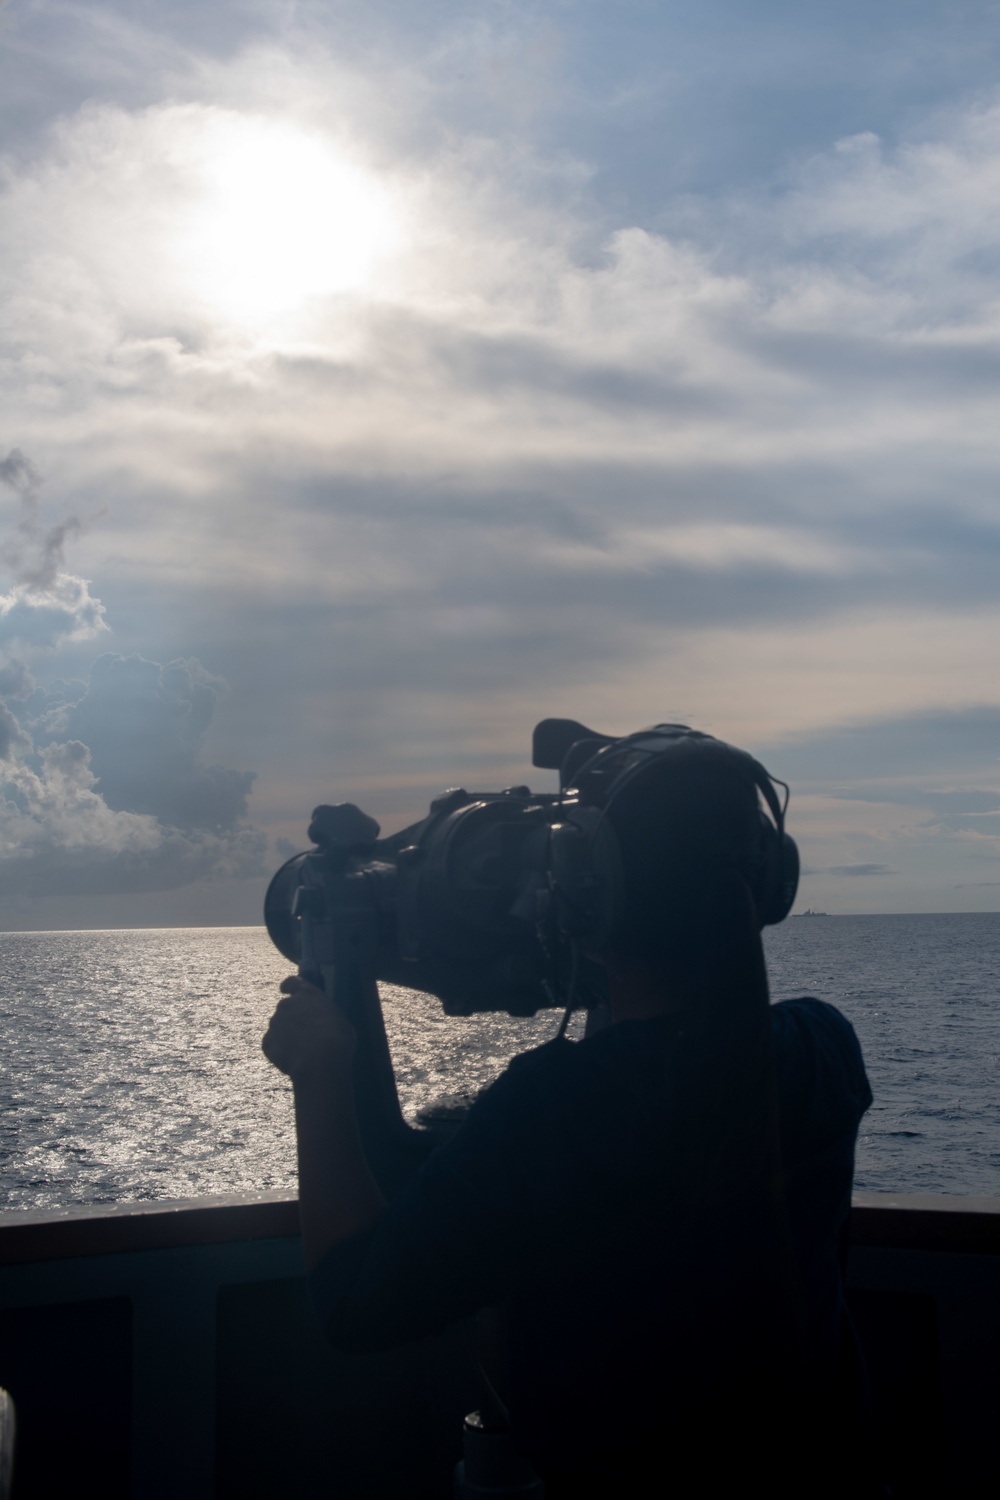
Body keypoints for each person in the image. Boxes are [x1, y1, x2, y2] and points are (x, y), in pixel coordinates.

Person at [262, 734, 873, 1497]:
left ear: (588, 892)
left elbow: (356, 1306)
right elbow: (673, 1071)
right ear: (772, 882)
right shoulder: (822, 1052)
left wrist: (319, 1074)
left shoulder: (554, 1111)